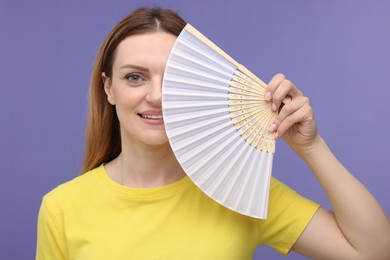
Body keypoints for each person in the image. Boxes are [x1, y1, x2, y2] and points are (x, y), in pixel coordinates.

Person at [36, 7, 390, 260]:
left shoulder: (241, 190)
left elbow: (374, 252)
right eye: (135, 77)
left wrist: (312, 147)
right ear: (109, 89)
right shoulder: (62, 208)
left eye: (173, 77)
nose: (157, 95)